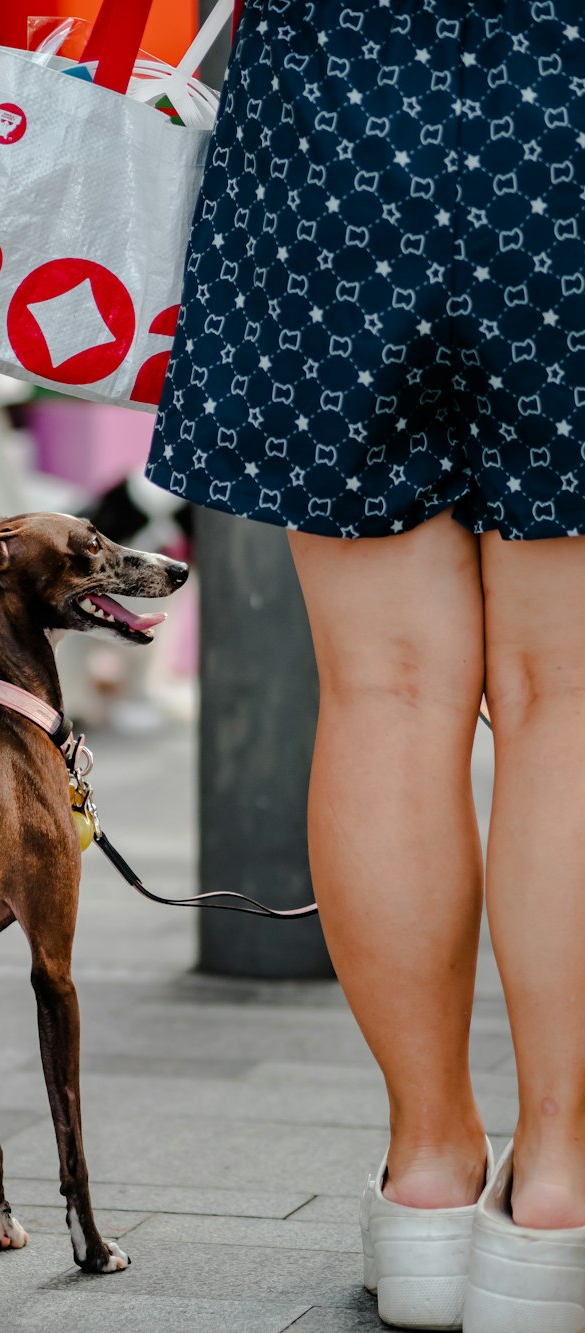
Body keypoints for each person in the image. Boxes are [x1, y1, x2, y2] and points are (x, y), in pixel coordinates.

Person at [147, 2, 585, 1330]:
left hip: (332, 123)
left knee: (385, 687)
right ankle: (561, 1184)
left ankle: (433, 1173)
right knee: (568, 694)